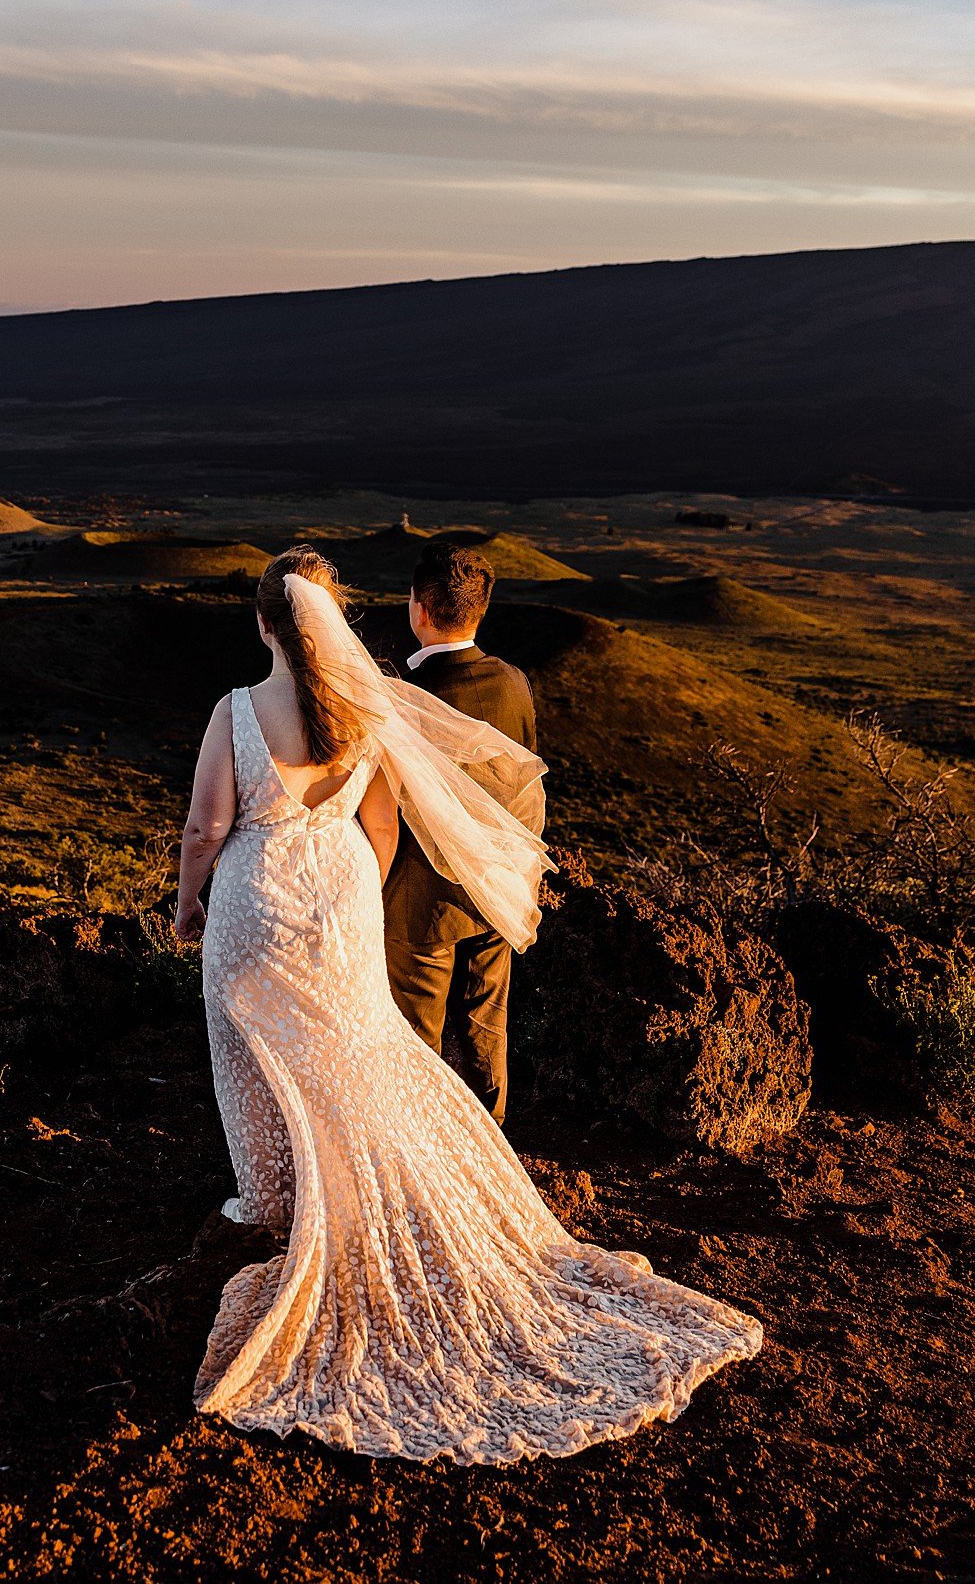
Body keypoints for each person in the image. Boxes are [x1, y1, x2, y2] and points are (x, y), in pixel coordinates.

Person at [172, 545, 761, 1465]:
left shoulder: (237, 712)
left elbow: (208, 825)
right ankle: (370, 1179)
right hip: (341, 893)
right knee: (359, 1051)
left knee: (250, 1043)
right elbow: (381, 823)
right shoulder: (364, 713)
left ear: (261, 624)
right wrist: (353, 888)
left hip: (256, 901)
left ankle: (277, 1197)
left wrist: (186, 902)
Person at [384, 539, 534, 1124]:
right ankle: (490, 1153)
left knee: (415, 1040)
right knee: (484, 1034)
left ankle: (426, 1164)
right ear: (481, 610)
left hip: (419, 900)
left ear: (418, 608)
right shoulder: (514, 684)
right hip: (498, 890)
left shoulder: (401, 698)